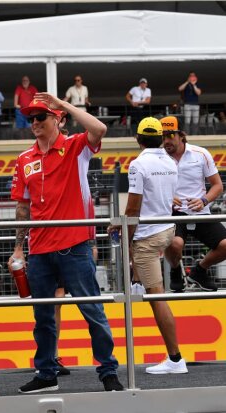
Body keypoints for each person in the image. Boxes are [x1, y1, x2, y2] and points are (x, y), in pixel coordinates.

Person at [8, 93, 123, 393]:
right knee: (43, 316)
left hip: (75, 245)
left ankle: (108, 370)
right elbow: (23, 207)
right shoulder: (24, 159)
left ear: (57, 118)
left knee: (92, 310)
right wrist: (19, 247)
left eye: (41, 117)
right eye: (31, 118)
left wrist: (64, 105)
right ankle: (47, 373)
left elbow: (99, 130)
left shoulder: (75, 147)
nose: (34, 122)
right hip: (40, 250)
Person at [111, 117, 187, 375]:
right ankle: (136, 280)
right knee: (150, 282)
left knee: (158, 299)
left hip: (148, 236)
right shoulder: (170, 161)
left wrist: (125, 238)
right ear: (160, 138)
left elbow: (132, 208)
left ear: (138, 138)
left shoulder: (138, 164)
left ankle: (175, 359)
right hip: (167, 230)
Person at [161, 115, 225, 293]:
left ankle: (199, 271)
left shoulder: (201, 153)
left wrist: (203, 200)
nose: (166, 141)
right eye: (163, 136)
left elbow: (217, 185)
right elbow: (148, 189)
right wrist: (165, 197)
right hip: (173, 213)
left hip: (200, 211)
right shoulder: (157, 157)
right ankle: (175, 271)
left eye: (170, 135)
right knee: (175, 244)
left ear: (182, 135)